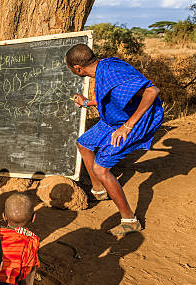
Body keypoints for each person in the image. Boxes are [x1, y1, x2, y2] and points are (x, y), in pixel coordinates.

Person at [67, 44, 164, 237]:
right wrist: (87, 102)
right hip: (115, 119)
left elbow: (152, 91)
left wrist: (127, 127)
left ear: (78, 68)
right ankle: (99, 190)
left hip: (135, 120)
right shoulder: (102, 68)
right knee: (84, 143)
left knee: (100, 168)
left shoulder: (112, 72)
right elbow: (112, 95)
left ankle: (130, 221)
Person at [0, 193, 47, 285]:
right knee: (30, 264)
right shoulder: (31, 241)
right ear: (33, 218)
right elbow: (26, 271)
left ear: (4, 216)